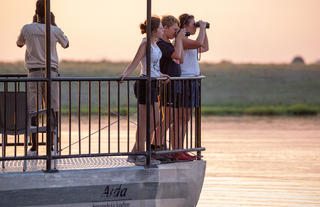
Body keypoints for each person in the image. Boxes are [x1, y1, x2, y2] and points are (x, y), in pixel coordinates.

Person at [16, 0, 69, 156]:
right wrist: (54, 24)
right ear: (50, 13)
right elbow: (66, 44)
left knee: (33, 109)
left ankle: (34, 147)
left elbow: (19, 43)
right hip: (51, 73)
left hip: (33, 73)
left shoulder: (27, 28)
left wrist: (34, 24)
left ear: (36, 12)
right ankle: (52, 146)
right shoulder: (54, 29)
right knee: (52, 108)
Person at [120, 16, 169, 166]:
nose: (163, 29)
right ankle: (140, 155)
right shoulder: (145, 43)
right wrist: (125, 74)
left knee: (155, 120)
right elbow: (136, 62)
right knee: (145, 122)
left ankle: (136, 153)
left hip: (153, 83)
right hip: (144, 83)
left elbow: (154, 66)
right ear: (154, 30)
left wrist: (161, 75)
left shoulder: (155, 44)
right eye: (161, 27)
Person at [156, 15, 192, 161]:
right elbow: (176, 55)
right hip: (167, 86)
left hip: (174, 85)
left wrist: (179, 39)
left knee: (171, 118)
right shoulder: (161, 44)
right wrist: (179, 38)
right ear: (165, 28)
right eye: (174, 30)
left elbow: (181, 58)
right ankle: (156, 147)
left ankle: (166, 148)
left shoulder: (170, 44)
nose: (176, 32)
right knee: (167, 118)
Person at [179, 13, 209, 159]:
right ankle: (178, 150)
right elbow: (198, 44)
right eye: (193, 24)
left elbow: (204, 47)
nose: (195, 27)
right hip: (185, 81)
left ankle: (181, 149)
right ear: (185, 26)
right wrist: (202, 29)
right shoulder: (182, 41)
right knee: (182, 118)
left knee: (186, 118)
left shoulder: (190, 41)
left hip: (192, 81)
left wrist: (204, 30)